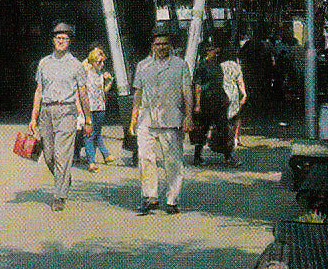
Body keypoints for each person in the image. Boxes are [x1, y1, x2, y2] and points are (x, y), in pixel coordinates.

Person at [28, 22, 92, 211]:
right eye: (58, 38)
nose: (61, 41)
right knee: (48, 155)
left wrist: (88, 119)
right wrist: (34, 117)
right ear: (53, 40)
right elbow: (39, 91)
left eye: (64, 38)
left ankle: (59, 196)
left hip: (67, 111)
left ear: (69, 41)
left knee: (62, 154)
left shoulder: (77, 65)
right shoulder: (44, 63)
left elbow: (83, 93)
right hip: (46, 112)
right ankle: (64, 178)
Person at [129, 25, 193, 215]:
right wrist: (133, 118)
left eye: (164, 44)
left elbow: (187, 92)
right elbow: (138, 93)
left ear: (170, 45)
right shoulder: (143, 66)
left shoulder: (180, 65)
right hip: (146, 119)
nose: (161, 47)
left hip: (171, 119)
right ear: (153, 46)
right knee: (145, 158)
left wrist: (189, 115)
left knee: (172, 161)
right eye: (157, 44)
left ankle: (172, 199)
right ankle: (150, 197)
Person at [192, 37, 238, 166]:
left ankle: (228, 157)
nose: (217, 51)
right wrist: (197, 104)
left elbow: (219, 83)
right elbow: (198, 86)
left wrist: (225, 98)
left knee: (224, 129)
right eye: (213, 49)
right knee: (203, 129)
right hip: (206, 102)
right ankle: (197, 156)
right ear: (207, 51)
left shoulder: (217, 65)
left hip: (219, 102)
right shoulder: (201, 66)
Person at [83, 46, 114, 171]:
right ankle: (91, 161)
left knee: (97, 132)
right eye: (99, 62)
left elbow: (103, 91)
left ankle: (105, 155)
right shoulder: (86, 73)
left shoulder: (101, 74)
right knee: (89, 134)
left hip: (100, 107)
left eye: (102, 62)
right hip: (89, 107)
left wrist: (109, 82)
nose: (101, 64)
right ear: (92, 62)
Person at [220, 45, 248, 150]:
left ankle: (223, 137)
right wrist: (244, 94)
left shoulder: (220, 66)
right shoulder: (237, 66)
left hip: (223, 93)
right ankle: (235, 137)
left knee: (224, 117)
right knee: (236, 116)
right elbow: (240, 82)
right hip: (234, 93)